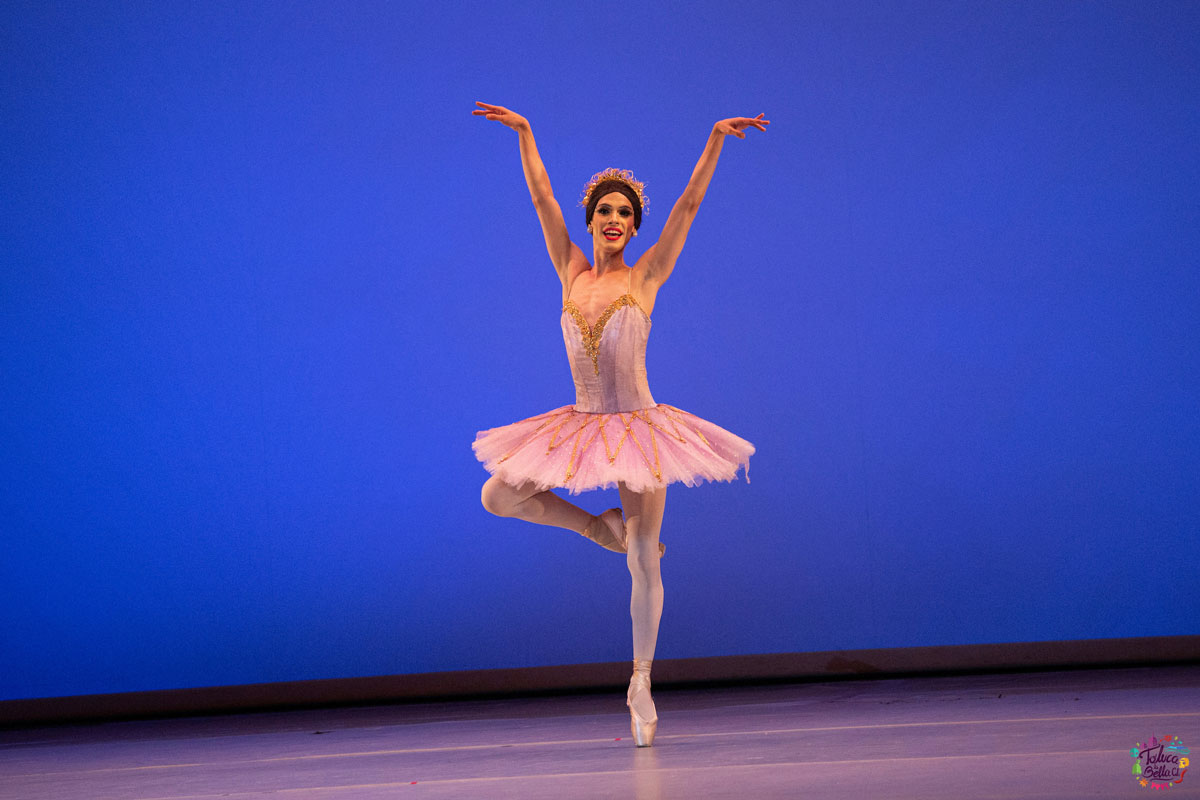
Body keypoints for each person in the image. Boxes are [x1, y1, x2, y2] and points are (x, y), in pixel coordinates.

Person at [471, 101, 767, 747]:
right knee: (498, 494)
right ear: (592, 220)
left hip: (639, 427)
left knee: (644, 556)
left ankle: (639, 683)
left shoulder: (647, 275)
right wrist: (526, 132)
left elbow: (687, 207)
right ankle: (595, 531)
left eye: (624, 213)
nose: (613, 220)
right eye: (605, 211)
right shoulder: (570, 273)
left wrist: (715, 139)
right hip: (579, 422)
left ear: (635, 228)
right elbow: (542, 198)